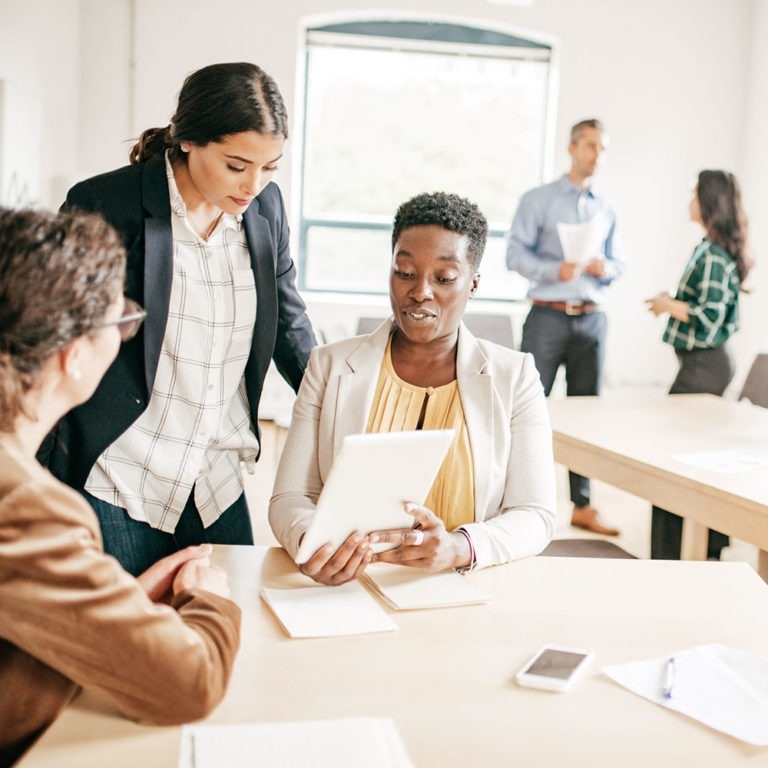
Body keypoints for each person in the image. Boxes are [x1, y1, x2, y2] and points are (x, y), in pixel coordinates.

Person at [42, 62, 317, 576]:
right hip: (122, 471)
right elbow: (59, 333)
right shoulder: (106, 203)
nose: (253, 185)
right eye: (237, 166)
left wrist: (338, 407)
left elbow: (289, 324)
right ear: (188, 140)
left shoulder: (265, 210)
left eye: (270, 167)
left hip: (215, 475)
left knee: (229, 635)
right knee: (127, 645)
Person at [0, 208, 241, 767]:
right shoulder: (27, 506)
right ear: (74, 355)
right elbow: (188, 684)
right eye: (121, 323)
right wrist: (209, 603)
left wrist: (123, 601)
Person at [269, 192, 556, 586]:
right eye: (404, 272)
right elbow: (289, 498)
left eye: (444, 278)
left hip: (462, 587)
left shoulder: (514, 377)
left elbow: (535, 514)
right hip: (348, 588)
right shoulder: (329, 365)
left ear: (472, 284)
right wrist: (312, 543)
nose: (420, 291)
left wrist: (460, 547)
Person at [505, 118, 625, 537]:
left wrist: (604, 267)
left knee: (586, 412)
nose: (597, 155)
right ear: (572, 148)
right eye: (591, 145)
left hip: (592, 319)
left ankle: (583, 505)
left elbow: (619, 264)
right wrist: (556, 269)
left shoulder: (605, 207)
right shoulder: (538, 200)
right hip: (547, 315)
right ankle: (514, 498)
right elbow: (514, 255)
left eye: (603, 148)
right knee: (527, 407)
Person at [645, 170, 751, 560]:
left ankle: (675, 554)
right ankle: (701, 548)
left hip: (706, 366)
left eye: (694, 192)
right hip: (702, 364)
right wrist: (670, 301)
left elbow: (708, 317)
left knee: (671, 463)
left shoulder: (713, 255)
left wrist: (667, 305)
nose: (689, 197)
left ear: (707, 201)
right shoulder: (709, 248)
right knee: (682, 459)